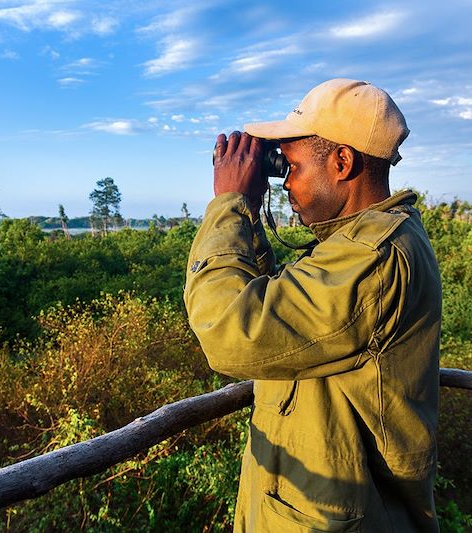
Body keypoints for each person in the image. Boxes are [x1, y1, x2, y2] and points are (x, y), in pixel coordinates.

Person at [183, 78, 442, 532]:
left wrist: (229, 202)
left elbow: (228, 329)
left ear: (342, 162)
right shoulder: (359, 243)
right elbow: (278, 305)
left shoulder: (371, 257)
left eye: (293, 166)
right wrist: (250, 213)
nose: (286, 182)